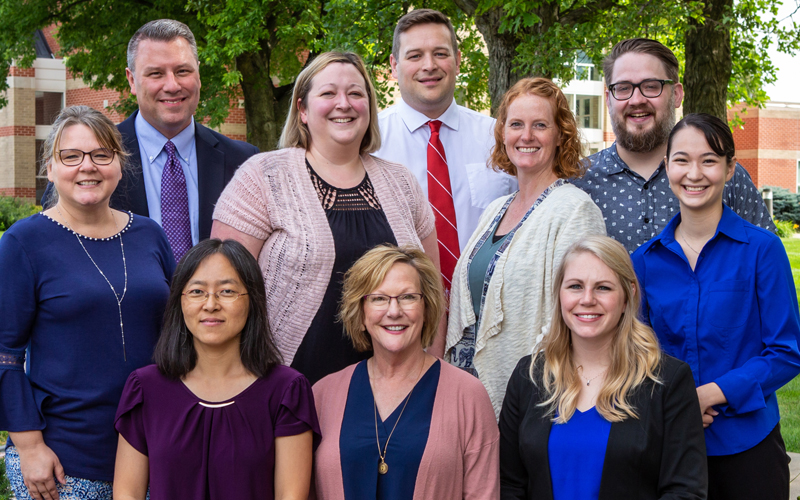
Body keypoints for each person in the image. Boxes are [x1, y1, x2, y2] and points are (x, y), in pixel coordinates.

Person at [211, 51, 439, 384]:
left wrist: (432, 373)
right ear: (302, 110)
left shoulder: (402, 183)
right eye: (328, 93)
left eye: (356, 93)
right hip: (284, 388)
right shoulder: (263, 177)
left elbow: (433, 294)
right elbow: (221, 291)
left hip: (396, 388)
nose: (343, 104)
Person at [0, 106, 175, 500]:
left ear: (119, 164)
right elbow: (4, 354)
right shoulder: (23, 243)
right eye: (71, 156)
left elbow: (181, 329)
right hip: (64, 461)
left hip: (153, 449)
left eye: (101, 154)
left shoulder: (150, 235)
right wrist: (29, 446)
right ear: (50, 168)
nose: (87, 166)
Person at [632, 113, 800, 500]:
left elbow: (786, 351)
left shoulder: (762, 250)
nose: (694, 173)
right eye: (682, 160)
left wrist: (710, 394)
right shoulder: (644, 261)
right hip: (668, 445)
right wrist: (676, 403)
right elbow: (636, 354)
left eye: (709, 160)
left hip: (749, 447)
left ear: (729, 168)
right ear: (667, 167)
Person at [500, 236, 707, 499]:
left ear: (627, 296)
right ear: (560, 294)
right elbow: (508, 484)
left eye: (603, 288)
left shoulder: (667, 381)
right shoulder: (528, 376)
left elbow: (685, 490)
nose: (587, 299)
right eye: (575, 286)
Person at [446, 77, 606, 415]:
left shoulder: (575, 210)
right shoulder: (496, 209)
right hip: (468, 393)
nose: (527, 135)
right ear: (503, 133)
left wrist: (535, 394)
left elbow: (578, 315)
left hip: (534, 398)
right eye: (516, 124)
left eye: (540, 125)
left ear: (560, 135)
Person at [113, 239, 319, 500]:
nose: (210, 304)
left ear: (252, 300)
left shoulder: (286, 391)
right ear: (179, 302)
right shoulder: (145, 388)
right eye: (197, 291)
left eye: (227, 291)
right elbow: (127, 493)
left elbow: (291, 495)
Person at [44, 19, 260, 261]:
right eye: (156, 73)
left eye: (183, 71)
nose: (172, 85)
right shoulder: (92, 161)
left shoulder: (244, 162)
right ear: (131, 80)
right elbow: (55, 243)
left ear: (198, 74)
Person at [312, 245, 499, 499]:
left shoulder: (468, 395)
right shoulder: (323, 395)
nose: (394, 311)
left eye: (408, 297)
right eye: (379, 298)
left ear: (427, 308)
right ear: (361, 313)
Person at [571, 38, 775, 254]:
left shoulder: (724, 177)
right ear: (608, 99)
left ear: (677, 95)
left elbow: (765, 258)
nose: (636, 100)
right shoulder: (578, 182)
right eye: (623, 88)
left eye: (651, 86)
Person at [375, 9, 516, 291]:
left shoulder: (499, 138)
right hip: (400, 307)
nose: (429, 65)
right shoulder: (369, 144)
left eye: (440, 53)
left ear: (458, 60)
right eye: (415, 56)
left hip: (488, 304)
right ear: (394, 65)